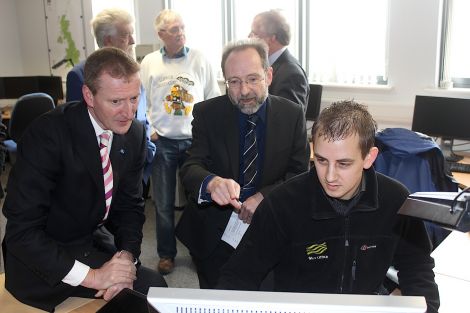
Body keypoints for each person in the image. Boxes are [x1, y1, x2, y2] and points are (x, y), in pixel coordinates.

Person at [217, 100, 440, 313]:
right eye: (321, 161)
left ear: (369, 158)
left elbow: (418, 269)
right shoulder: (283, 203)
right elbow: (239, 275)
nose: (329, 176)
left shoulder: (396, 200)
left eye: (343, 163)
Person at [2, 47, 167, 312]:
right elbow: (22, 233)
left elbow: (129, 208)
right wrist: (95, 277)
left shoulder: (134, 134)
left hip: (90, 243)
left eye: (134, 98)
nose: (129, 111)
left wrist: (126, 259)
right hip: (43, 258)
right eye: (116, 101)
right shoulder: (48, 135)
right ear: (89, 95)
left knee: (154, 289)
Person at [175, 38, 310, 289]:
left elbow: (300, 173)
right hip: (214, 234)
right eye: (234, 82)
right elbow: (191, 166)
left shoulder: (291, 115)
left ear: (268, 75)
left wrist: (265, 197)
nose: (244, 90)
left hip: (271, 230)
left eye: (252, 79)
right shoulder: (207, 113)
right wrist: (211, 182)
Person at [140, 9, 220, 275]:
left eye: (182, 28)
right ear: (161, 34)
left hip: (193, 143)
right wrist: (149, 129)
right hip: (162, 143)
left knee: (199, 203)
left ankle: (199, 251)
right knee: (162, 205)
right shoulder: (149, 62)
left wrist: (208, 135)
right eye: (174, 30)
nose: (180, 33)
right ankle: (166, 254)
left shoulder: (199, 59)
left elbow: (212, 97)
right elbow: (142, 101)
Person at [66, 8, 156, 183]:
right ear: (108, 40)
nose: (133, 41)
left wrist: (148, 148)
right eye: (126, 35)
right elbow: (78, 130)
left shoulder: (133, 71)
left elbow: (140, 115)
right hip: (103, 171)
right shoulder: (80, 75)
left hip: (138, 162)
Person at [249, 9, 309, 112]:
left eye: (254, 34)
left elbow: (287, 119)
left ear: (272, 38)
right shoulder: (271, 64)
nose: (249, 37)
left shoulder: (290, 73)